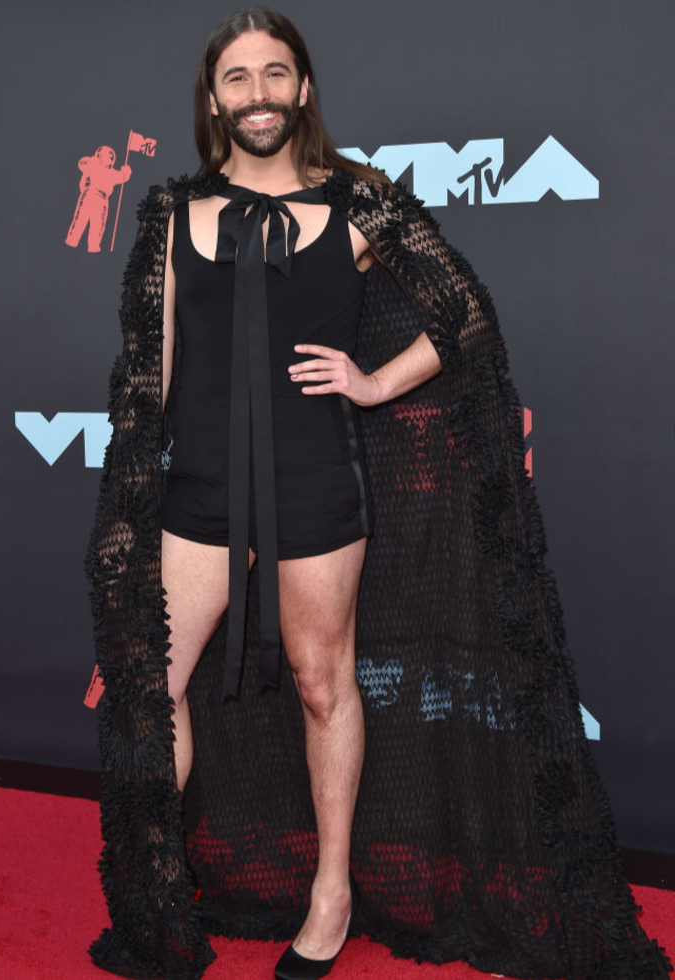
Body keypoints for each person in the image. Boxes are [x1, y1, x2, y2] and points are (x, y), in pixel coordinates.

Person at [85, 9, 672, 980]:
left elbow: (461, 312)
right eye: (237, 77)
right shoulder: (170, 215)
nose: (258, 92)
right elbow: (153, 362)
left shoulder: (359, 204)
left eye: (275, 72)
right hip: (197, 487)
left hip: (316, 476)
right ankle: (152, 889)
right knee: (150, 684)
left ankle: (330, 891)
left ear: (301, 89)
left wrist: (371, 380)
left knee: (322, 683)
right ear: (213, 98)